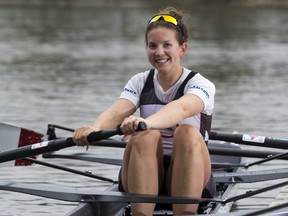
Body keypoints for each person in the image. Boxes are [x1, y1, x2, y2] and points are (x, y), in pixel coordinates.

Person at [72, 7, 216, 216]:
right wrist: (94, 128)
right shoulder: (140, 81)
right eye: (152, 45)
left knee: (186, 132)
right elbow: (117, 111)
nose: (159, 52)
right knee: (145, 137)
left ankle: (186, 212)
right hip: (143, 171)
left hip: (192, 174)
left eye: (167, 45)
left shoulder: (201, 84)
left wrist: (146, 122)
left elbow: (182, 108)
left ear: (182, 49)